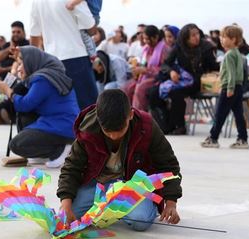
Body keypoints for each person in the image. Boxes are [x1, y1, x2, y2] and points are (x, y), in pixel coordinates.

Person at [57, 89, 182, 231]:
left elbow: (169, 165)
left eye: (120, 130)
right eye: (107, 131)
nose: (113, 137)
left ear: (131, 115)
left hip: (133, 187)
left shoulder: (146, 127)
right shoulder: (87, 130)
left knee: (140, 221)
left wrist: (171, 203)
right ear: (98, 119)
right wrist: (65, 203)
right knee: (71, 217)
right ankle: (112, 207)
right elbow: (72, 167)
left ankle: (126, 208)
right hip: (98, 185)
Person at [0, 46, 79, 168]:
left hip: (61, 126)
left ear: (31, 62)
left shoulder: (43, 79)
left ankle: (63, 150)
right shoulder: (51, 74)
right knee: (25, 116)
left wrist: (8, 91)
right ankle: (42, 155)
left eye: (21, 63)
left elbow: (24, 104)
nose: (19, 69)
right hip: (64, 124)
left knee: (16, 145)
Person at [150, 24, 219, 135]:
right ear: (185, 38)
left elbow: (213, 67)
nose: (196, 37)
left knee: (175, 93)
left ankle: (180, 126)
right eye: (192, 35)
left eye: (197, 34)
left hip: (197, 81)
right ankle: (164, 125)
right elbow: (165, 64)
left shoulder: (206, 47)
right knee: (153, 92)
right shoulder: (179, 47)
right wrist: (171, 72)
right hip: (181, 79)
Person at [30, 0, 98, 110]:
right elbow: (91, 29)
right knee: (88, 109)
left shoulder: (36, 2)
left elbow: (34, 36)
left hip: (51, 62)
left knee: (62, 109)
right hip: (76, 57)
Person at [201, 26, 249, 149]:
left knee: (220, 114)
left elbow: (232, 73)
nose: (221, 39)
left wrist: (230, 88)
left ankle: (213, 138)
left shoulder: (228, 55)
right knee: (238, 114)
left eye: (224, 37)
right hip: (238, 88)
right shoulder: (238, 54)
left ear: (233, 39)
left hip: (229, 88)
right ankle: (243, 139)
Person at [124, 25, 170, 111]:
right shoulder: (146, 49)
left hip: (158, 78)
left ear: (155, 37)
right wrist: (138, 68)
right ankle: (126, 116)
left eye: (148, 39)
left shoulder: (164, 49)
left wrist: (146, 70)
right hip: (145, 76)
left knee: (140, 89)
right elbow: (144, 64)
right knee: (127, 88)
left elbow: (165, 69)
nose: (146, 41)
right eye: (145, 39)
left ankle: (139, 117)